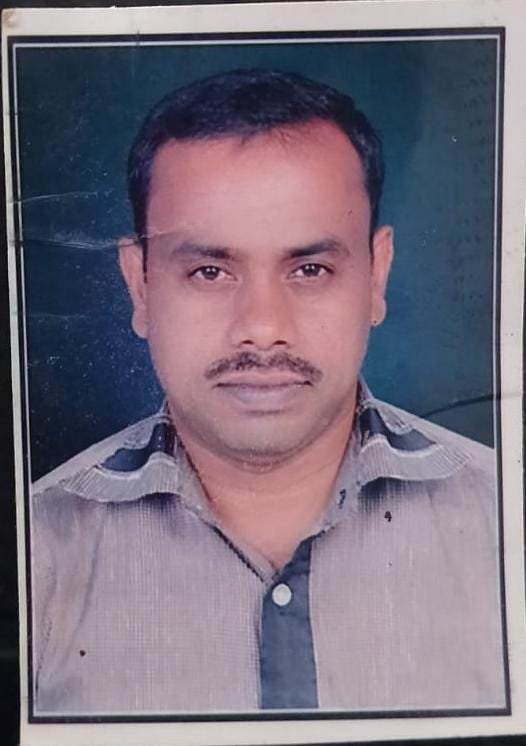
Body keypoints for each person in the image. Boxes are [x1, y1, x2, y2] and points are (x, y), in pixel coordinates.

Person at [31, 69, 506, 715]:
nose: (261, 327)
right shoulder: (37, 552)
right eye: (209, 270)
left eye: (310, 268)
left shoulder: (504, 526)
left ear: (376, 276)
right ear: (140, 286)